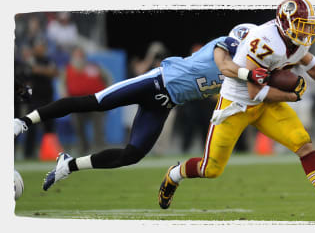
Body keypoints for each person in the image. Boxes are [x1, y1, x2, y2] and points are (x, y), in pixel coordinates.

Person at [158, 0, 315, 224]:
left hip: (266, 105)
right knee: (210, 168)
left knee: (304, 144)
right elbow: (256, 93)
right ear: (285, 22)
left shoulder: (296, 39)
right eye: (301, 26)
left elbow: (310, 63)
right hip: (237, 105)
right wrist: (291, 96)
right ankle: (174, 174)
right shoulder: (264, 42)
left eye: (307, 27)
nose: (305, 33)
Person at [14, 24, 270, 192]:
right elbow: (226, 67)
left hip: (166, 103)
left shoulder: (240, 72)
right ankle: (25, 121)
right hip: (154, 82)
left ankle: (68, 165)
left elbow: (249, 88)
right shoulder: (225, 45)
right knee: (93, 102)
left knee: (132, 155)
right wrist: (255, 75)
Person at [62, 46, 112, 154]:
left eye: (81, 55)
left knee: (99, 127)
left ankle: (99, 149)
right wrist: (64, 94)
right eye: (77, 55)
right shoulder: (68, 69)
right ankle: (83, 149)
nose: (79, 57)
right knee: (78, 127)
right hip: (76, 101)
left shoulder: (94, 66)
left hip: (96, 100)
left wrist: (108, 92)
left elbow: (108, 78)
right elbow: (62, 84)